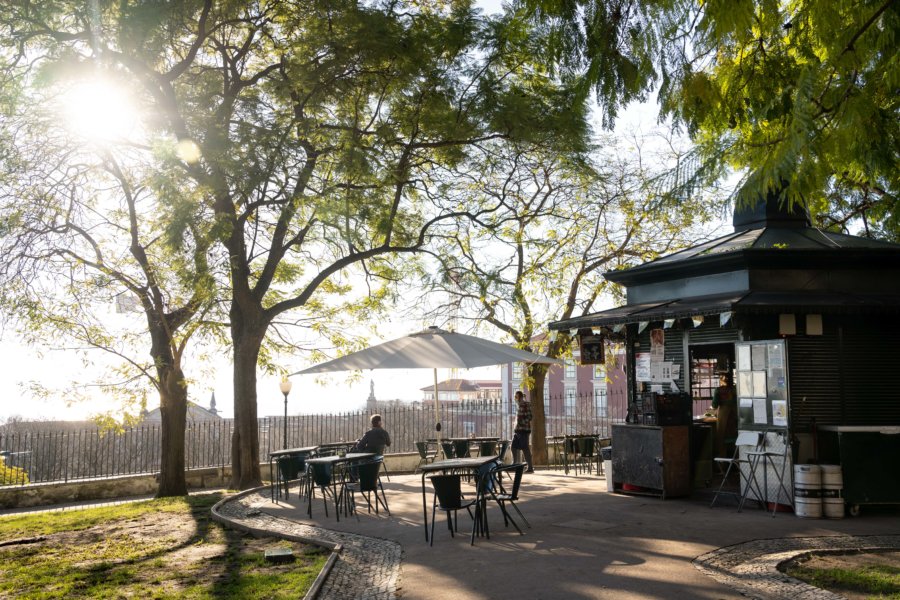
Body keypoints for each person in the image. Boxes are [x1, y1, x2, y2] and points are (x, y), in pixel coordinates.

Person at [711, 374, 737, 460]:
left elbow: (714, 405)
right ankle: (737, 463)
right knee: (736, 439)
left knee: (721, 439)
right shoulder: (735, 389)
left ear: (722, 381)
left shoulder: (718, 390)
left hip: (723, 416)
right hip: (734, 414)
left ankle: (722, 464)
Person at [511, 391, 534, 473]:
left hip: (524, 430)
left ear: (520, 397)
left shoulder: (526, 404)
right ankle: (514, 464)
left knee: (525, 448)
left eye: (516, 397)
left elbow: (530, 417)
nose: (515, 399)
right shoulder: (518, 405)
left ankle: (530, 467)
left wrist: (521, 422)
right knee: (513, 446)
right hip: (517, 430)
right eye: (515, 397)